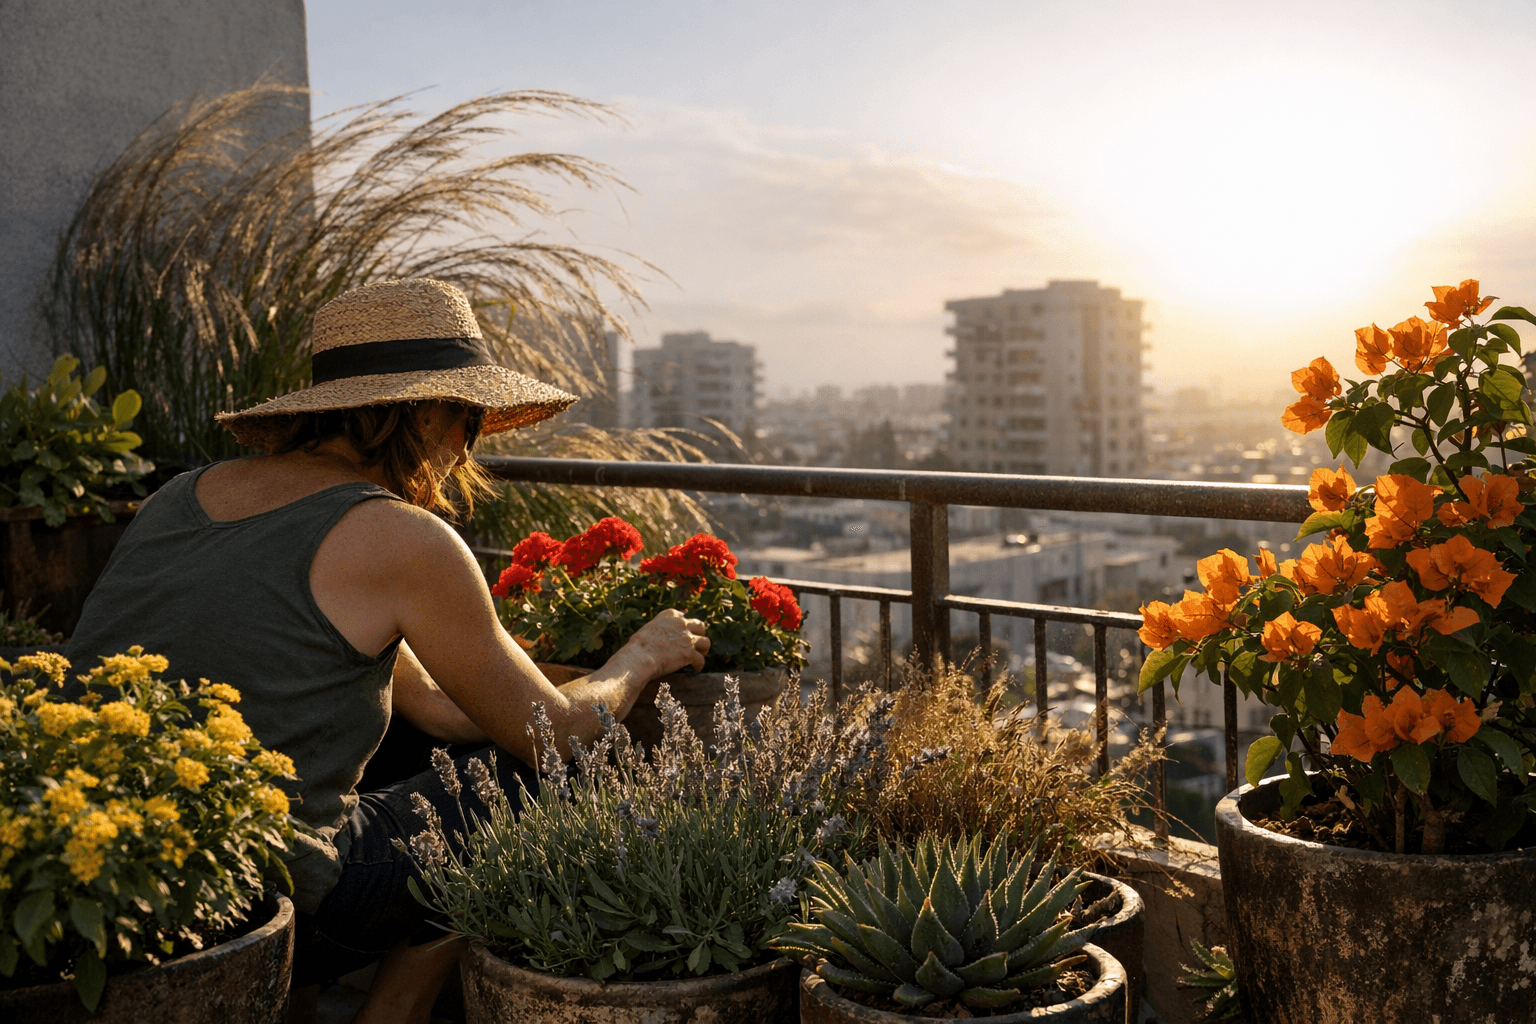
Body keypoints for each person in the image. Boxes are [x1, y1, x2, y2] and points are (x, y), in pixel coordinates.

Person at [66, 279, 710, 1024]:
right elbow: (559, 739)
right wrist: (638, 656)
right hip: (268, 901)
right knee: (547, 786)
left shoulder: (177, 497)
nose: (464, 446)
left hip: (112, 883)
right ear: (430, 409)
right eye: (469, 420)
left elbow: (434, 708)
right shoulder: (402, 537)